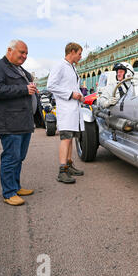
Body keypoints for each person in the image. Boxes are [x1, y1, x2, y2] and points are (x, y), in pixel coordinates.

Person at [0, 40, 38, 206]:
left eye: (26, 53)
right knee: (11, 157)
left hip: (24, 121)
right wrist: (24, 89)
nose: (24, 56)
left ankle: (15, 186)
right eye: (21, 52)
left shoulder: (23, 71)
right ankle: (8, 192)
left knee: (19, 157)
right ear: (9, 50)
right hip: (9, 123)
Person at [47, 42, 85, 184]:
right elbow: (51, 85)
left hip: (73, 109)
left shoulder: (72, 67)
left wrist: (80, 95)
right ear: (72, 52)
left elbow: (74, 86)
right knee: (66, 139)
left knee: (71, 138)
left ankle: (69, 165)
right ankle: (62, 171)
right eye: (79, 53)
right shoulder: (60, 65)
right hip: (66, 108)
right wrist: (70, 94)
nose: (81, 56)